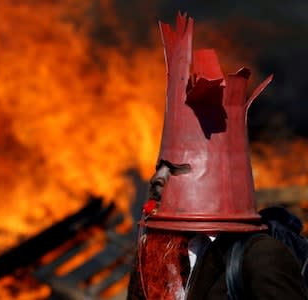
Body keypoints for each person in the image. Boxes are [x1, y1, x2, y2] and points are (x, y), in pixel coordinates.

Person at [127, 13, 306, 300]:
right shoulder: (153, 257)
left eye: (173, 169)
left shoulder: (260, 256)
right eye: (160, 169)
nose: (158, 180)